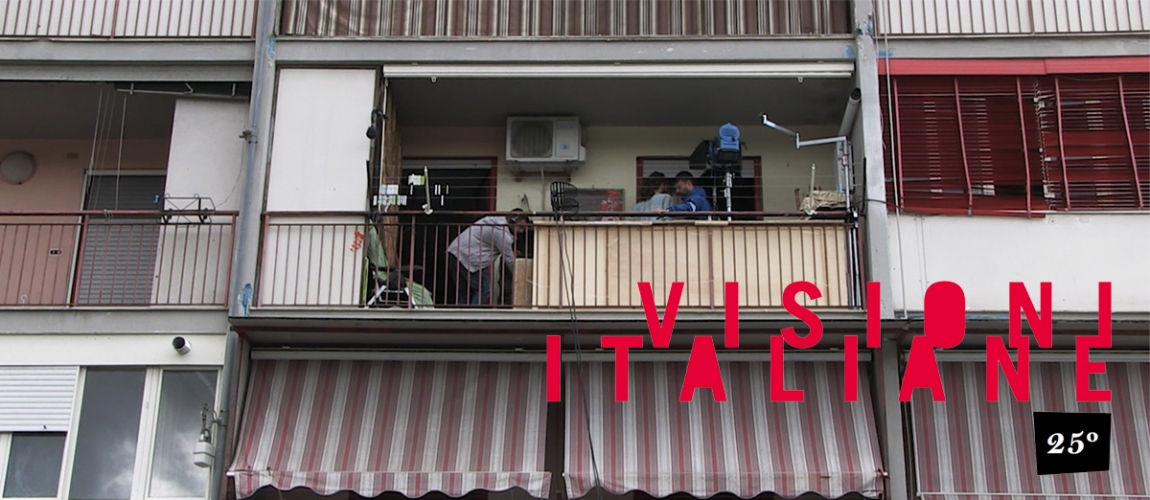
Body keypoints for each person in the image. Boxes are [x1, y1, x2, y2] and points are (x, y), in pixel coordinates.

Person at [446, 209, 530, 306]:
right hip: (470, 257)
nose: (521, 231)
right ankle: (471, 314)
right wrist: (521, 277)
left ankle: (460, 314)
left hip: (454, 251)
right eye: (520, 227)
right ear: (513, 220)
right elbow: (510, 261)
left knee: (464, 290)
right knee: (484, 289)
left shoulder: (495, 221)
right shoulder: (502, 233)